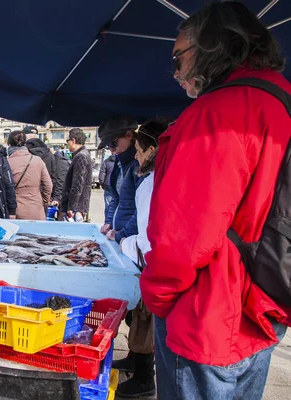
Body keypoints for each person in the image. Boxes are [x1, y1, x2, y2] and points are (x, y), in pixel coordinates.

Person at [140, 3, 290, 399]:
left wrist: (157, 296)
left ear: (211, 47)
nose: (175, 71)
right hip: (266, 302)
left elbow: (184, 238)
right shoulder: (281, 100)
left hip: (209, 312)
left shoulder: (217, 113)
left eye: (179, 56)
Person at [113, 119, 170, 398]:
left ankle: (145, 379)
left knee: (147, 320)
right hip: (154, 260)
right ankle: (137, 363)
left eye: (139, 150)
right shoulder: (160, 176)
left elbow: (148, 233)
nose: (136, 156)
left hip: (152, 262)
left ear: (152, 149)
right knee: (141, 319)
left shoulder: (153, 181)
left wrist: (124, 240)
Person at [98, 115, 142, 243]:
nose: (111, 149)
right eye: (108, 146)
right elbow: (115, 198)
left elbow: (142, 209)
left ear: (129, 135)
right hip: (119, 235)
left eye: (113, 143)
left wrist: (122, 234)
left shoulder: (139, 164)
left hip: (131, 239)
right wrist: (109, 222)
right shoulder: (118, 162)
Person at [6, 130, 52, 220]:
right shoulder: (37, 160)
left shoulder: (6, 163)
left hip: (15, 210)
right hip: (36, 208)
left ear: (9, 144)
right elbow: (48, 185)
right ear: (24, 143)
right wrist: (44, 200)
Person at [56, 128, 93, 220]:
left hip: (76, 208)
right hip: (78, 206)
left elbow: (78, 183)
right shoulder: (82, 154)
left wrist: (71, 207)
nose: (67, 143)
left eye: (67, 140)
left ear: (73, 140)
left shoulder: (81, 156)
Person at [24, 125, 56, 193]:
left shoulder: (22, 155)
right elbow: (54, 178)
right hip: (45, 195)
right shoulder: (49, 154)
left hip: (27, 197)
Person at [98, 152, 115, 220]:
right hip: (117, 187)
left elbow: (101, 176)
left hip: (108, 186)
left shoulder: (106, 161)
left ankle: (107, 223)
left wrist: (103, 185)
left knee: (108, 206)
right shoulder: (120, 161)